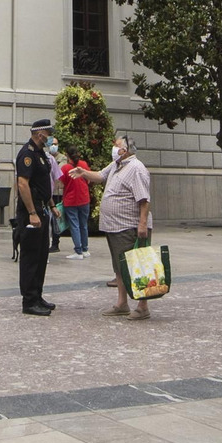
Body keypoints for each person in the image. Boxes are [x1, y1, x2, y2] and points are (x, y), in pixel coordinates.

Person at [71, 134, 153, 320]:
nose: (113, 149)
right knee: (119, 267)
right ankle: (122, 303)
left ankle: (143, 306)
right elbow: (100, 176)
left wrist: (142, 224)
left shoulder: (136, 168)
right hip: (115, 226)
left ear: (125, 150)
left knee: (137, 265)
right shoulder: (117, 165)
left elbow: (144, 199)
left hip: (130, 226)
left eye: (116, 146)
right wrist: (83, 173)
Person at [13, 119, 57, 315]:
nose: (51, 138)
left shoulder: (40, 154)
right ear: (40, 134)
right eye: (49, 134)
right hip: (31, 213)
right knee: (31, 257)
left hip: (42, 210)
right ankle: (29, 301)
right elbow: (23, 184)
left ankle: (37, 295)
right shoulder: (27, 154)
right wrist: (32, 213)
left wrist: (51, 205)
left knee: (41, 256)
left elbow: (42, 184)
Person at [60, 148, 92, 259]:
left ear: (67, 155)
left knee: (74, 225)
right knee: (83, 225)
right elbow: (89, 179)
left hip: (70, 200)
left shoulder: (65, 168)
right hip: (84, 198)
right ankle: (85, 249)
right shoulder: (83, 164)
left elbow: (62, 182)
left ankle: (78, 251)